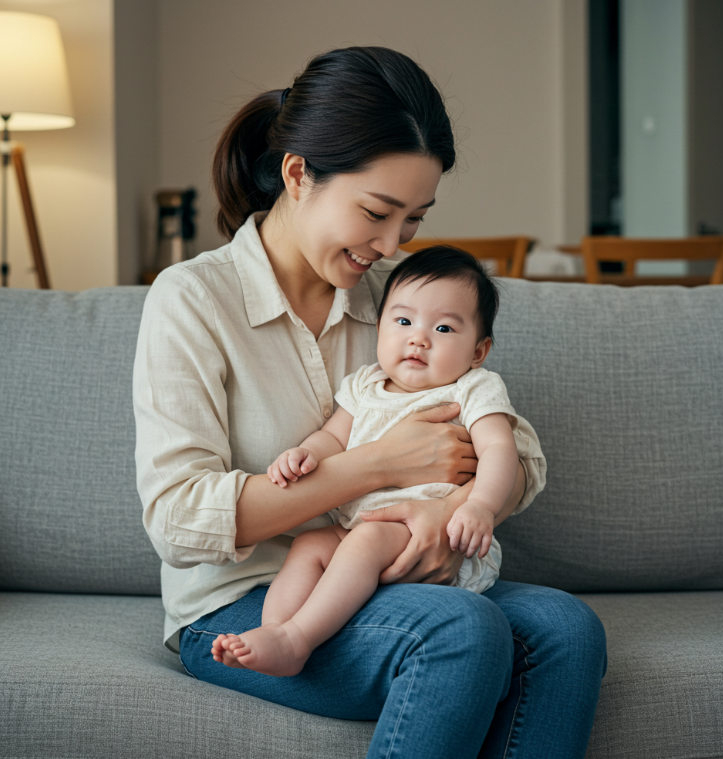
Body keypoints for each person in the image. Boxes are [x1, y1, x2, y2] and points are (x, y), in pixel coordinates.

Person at [133, 46, 606, 759]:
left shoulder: (393, 304)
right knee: (460, 630)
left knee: (567, 630)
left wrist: (445, 513)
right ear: (298, 174)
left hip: (384, 574)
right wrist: (377, 467)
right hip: (242, 603)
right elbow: (176, 517)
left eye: (413, 219)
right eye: (377, 213)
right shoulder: (193, 299)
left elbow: (519, 454)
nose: (389, 245)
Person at [214, 247, 525, 676]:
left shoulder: (472, 390)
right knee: (309, 545)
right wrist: (305, 454)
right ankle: (273, 633)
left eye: (444, 328)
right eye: (403, 322)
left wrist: (478, 506)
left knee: (362, 542)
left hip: (432, 540)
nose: (419, 338)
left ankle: (298, 638)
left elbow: (500, 450)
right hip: (357, 530)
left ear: (478, 351)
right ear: (379, 329)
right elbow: (332, 437)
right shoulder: (366, 385)